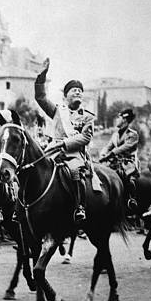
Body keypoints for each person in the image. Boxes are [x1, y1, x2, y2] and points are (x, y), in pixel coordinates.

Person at [33, 58, 94, 224]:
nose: (77, 92)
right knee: (33, 167)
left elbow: (86, 137)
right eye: (73, 90)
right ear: (65, 95)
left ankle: (79, 207)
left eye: (80, 90)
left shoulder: (87, 116)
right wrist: (41, 77)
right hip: (53, 151)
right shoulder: (58, 111)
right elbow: (40, 97)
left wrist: (65, 143)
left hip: (74, 153)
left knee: (75, 172)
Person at [99, 108, 140, 211]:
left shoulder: (133, 134)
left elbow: (125, 147)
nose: (116, 120)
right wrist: (103, 154)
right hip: (114, 161)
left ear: (124, 120)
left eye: (118, 118)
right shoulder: (115, 134)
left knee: (129, 177)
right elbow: (108, 146)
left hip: (128, 161)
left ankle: (132, 199)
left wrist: (111, 154)